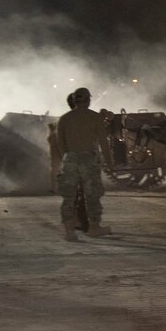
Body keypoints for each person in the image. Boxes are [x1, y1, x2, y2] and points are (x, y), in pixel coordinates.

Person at [56, 88, 113, 241]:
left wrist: (69, 159)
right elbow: (103, 143)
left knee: (68, 197)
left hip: (70, 159)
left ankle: (69, 231)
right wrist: (109, 162)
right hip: (89, 159)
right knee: (92, 195)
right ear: (88, 100)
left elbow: (61, 144)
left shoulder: (64, 119)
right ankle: (94, 227)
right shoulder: (95, 118)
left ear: (74, 101)